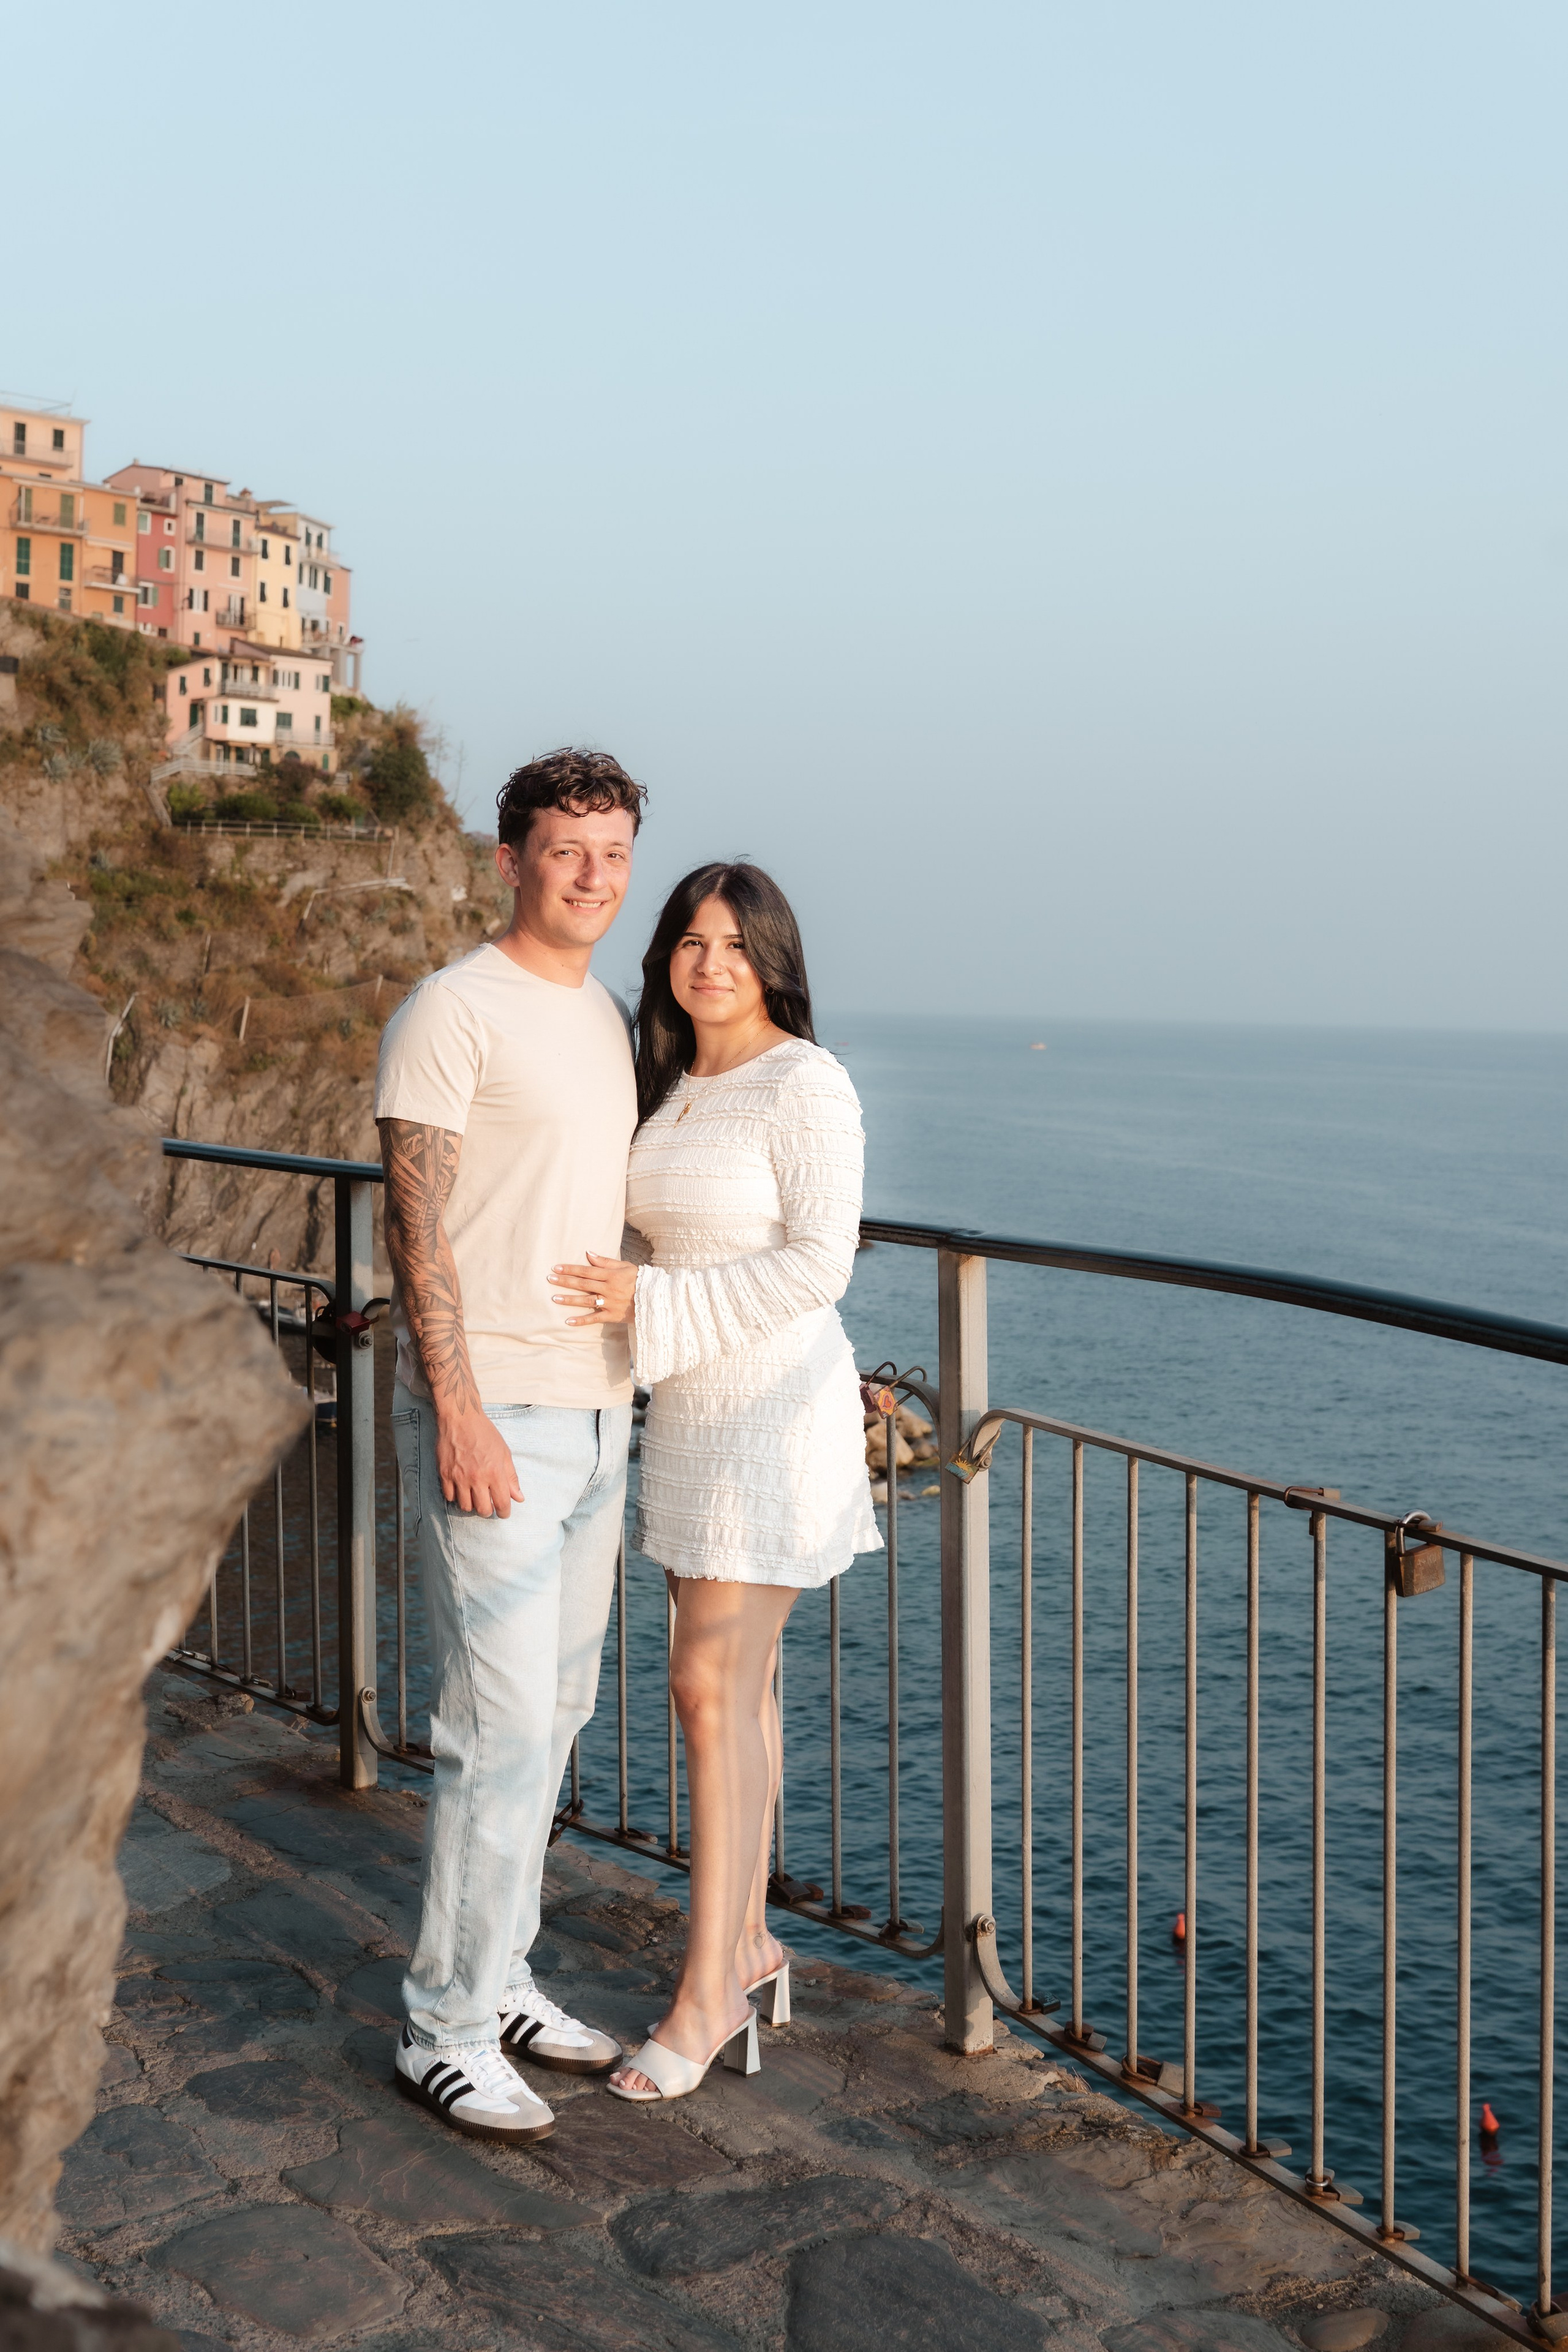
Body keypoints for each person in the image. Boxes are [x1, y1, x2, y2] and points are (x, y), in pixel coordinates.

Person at [549, 863, 880, 2102]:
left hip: (776, 1418)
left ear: (773, 961)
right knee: (739, 1694)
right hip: (688, 1413)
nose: (709, 963)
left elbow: (818, 1265)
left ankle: (706, 1999)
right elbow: (653, 1229)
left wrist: (653, 1301)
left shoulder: (806, 1082)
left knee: (703, 1685)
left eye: (735, 945)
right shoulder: (673, 1084)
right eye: (690, 941)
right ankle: (745, 1942)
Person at [375, 746, 645, 2143]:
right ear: (510, 860)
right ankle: (444, 2027)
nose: (591, 876)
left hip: (601, 1415)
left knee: (560, 1718)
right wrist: (458, 1405)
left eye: (611, 852)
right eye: (565, 850)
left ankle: (504, 1973)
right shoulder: (451, 1009)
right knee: (495, 1733)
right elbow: (410, 1224)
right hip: (497, 1419)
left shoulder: (605, 1012)